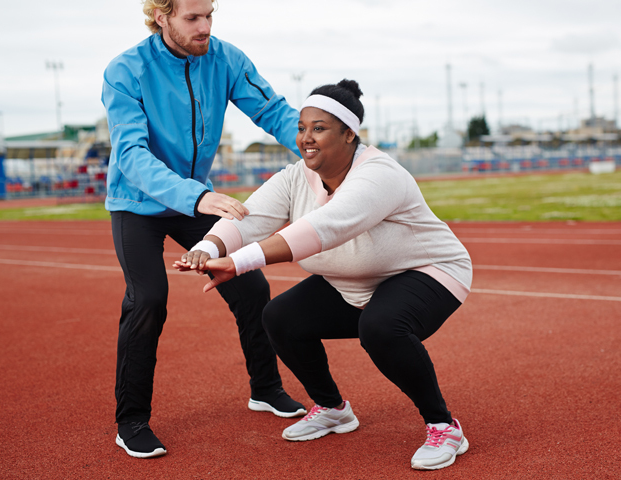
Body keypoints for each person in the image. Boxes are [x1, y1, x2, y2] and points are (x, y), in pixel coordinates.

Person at [175, 79, 474, 471]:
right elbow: (250, 217)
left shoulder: (378, 174)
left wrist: (240, 262)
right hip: (356, 281)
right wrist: (207, 249)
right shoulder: (296, 176)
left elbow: (325, 227)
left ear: (349, 134)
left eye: (319, 128)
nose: (306, 138)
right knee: (279, 317)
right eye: (301, 128)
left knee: (380, 327)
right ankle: (333, 409)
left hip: (427, 272)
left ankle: (444, 426)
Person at [101, 0, 306, 459]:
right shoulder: (125, 70)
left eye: (210, 15)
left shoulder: (225, 58)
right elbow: (130, 154)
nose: (205, 27)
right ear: (162, 16)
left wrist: (317, 144)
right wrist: (195, 197)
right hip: (139, 202)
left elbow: (273, 111)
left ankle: (265, 389)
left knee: (250, 286)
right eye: (193, 18)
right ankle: (131, 419)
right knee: (148, 298)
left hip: (195, 197)